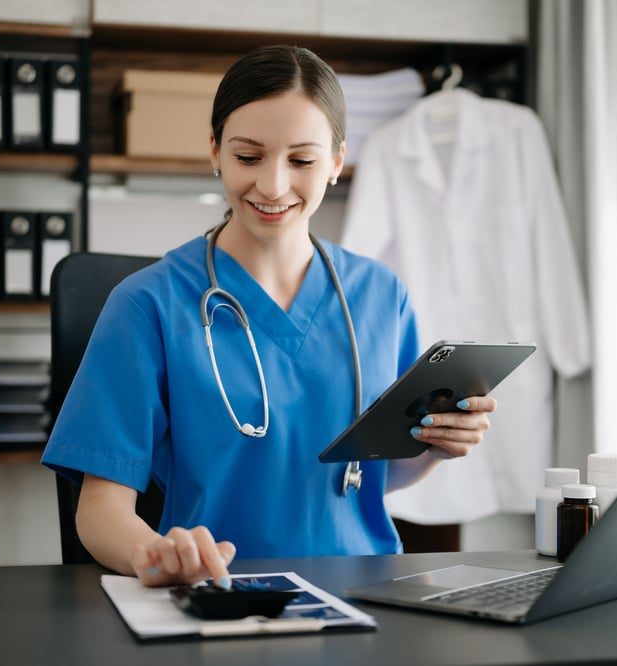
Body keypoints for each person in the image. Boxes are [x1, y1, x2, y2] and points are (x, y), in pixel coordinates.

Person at [41, 45, 497, 589]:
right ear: (214, 151)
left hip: (368, 596)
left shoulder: (381, 294)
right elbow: (98, 512)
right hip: (223, 595)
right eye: (248, 156)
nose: (274, 185)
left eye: (302, 160)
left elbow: (370, 477)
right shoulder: (147, 304)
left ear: (336, 162)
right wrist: (159, 554)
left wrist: (438, 444)